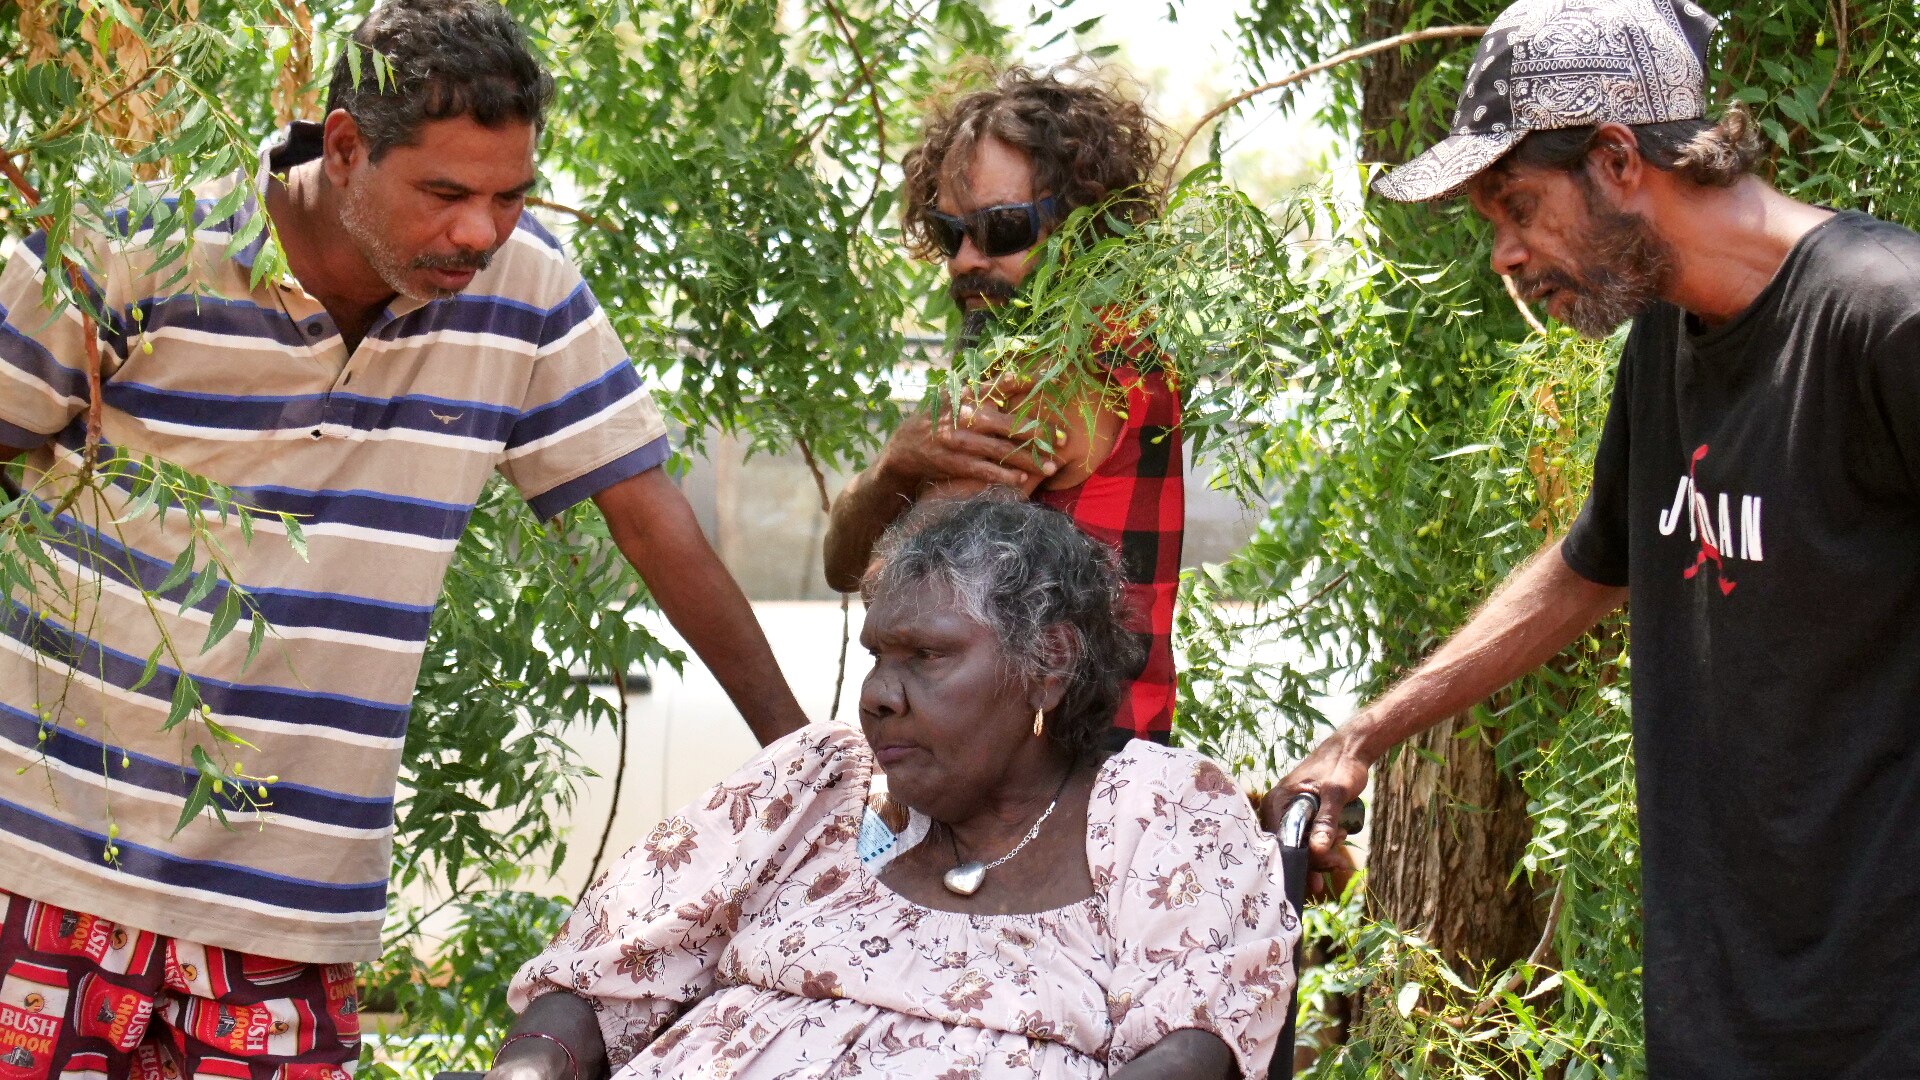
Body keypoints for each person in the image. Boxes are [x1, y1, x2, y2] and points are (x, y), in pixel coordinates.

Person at [0, 1, 807, 1076]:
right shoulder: (133, 241)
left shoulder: (526, 294)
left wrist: (813, 773)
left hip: (289, 904)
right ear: (344, 148)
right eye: (446, 193)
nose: (480, 230)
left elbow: (653, 523)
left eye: (509, 196)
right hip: (43, 864)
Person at [1270, 0, 1920, 1076]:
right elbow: (1593, 563)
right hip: (1727, 1000)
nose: (1504, 255)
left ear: (1619, 158)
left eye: (1516, 206)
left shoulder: (1885, 318)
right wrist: (1364, 736)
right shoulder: (1668, 337)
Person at [499, 495, 1298, 1080]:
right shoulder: (812, 789)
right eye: (879, 655)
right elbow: (603, 970)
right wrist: (531, 1070)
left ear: (1049, 662)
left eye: (925, 656)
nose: (880, 691)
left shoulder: (1156, 807)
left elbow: (1195, 1047)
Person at [823, 66, 1184, 750]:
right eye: (949, 230)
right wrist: (894, 470)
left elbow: (881, 595)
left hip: (1041, 799)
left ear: (1084, 228)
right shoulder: (1139, 348)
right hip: (1125, 775)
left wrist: (894, 475)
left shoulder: (1042, 375)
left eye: (1003, 228)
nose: (964, 261)